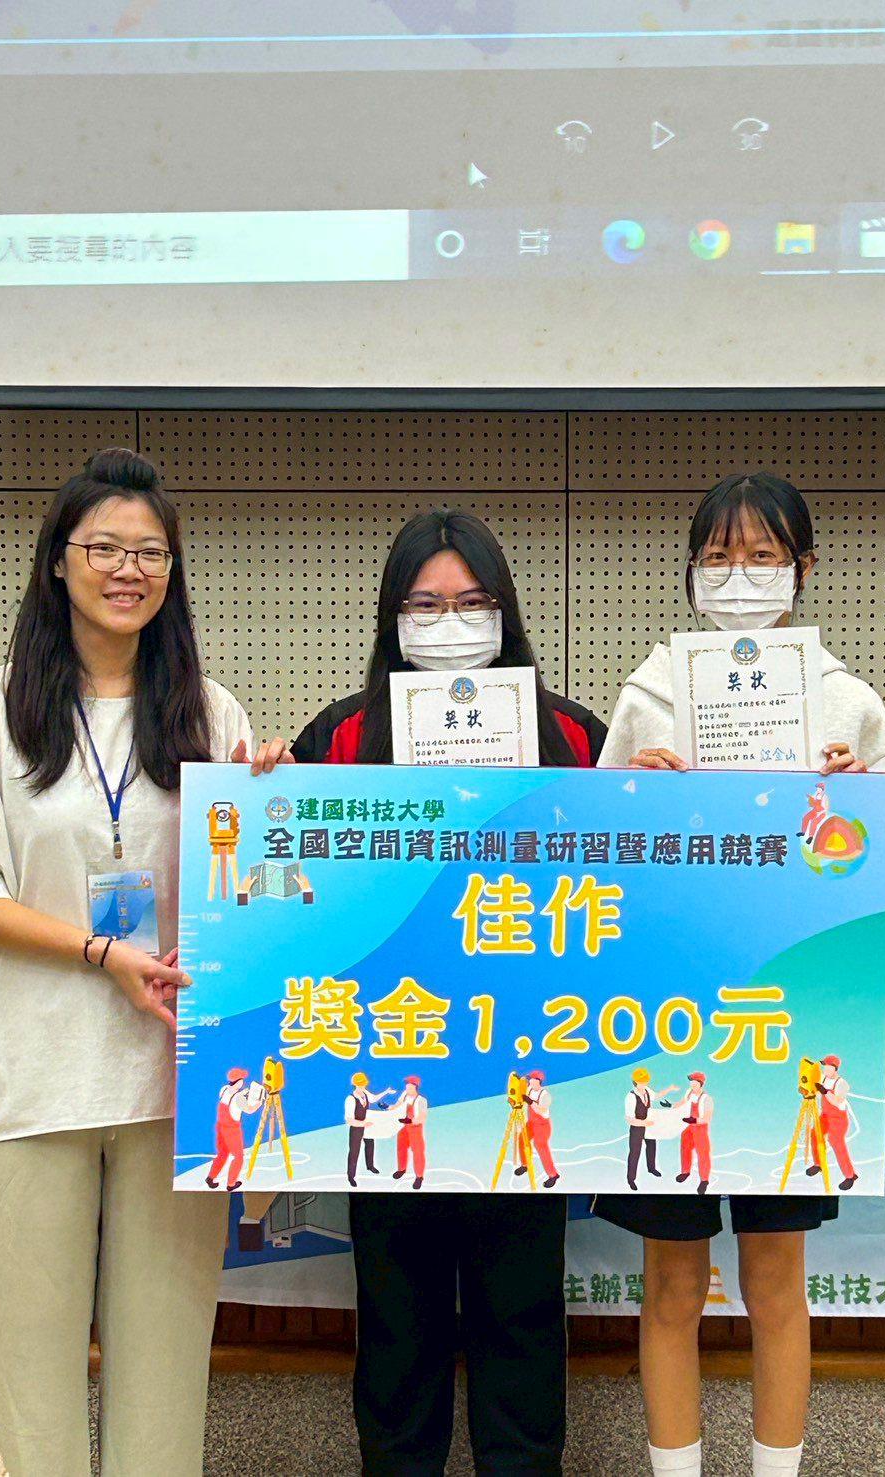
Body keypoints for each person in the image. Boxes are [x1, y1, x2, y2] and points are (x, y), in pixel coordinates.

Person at [0, 449, 287, 1477]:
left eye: (151, 552)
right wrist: (99, 950)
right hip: (25, 1080)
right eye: (104, 547)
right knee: (34, 1386)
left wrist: (272, 807)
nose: (128, 570)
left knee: (166, 1385)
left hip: (173, 1088)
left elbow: (251, 896)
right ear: (58, 560)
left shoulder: (210, 714)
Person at [593, 472, 885, 1477]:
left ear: (803, 568)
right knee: (670, 1287)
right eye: (718, 557)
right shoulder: (648, 696)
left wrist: (844, 816)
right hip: (669, 1020)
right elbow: (588, 864)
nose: (739, 576)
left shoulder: (847, 702)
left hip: (789, 1024)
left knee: (776, 1283)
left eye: (763, 556)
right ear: (691, 573)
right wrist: (629, 802)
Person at [291, 508, 607, 1477]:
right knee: (398, 1316)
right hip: (389, 1067)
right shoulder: (341, 735)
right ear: (391, 617)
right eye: (424, 605)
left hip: (528, 1068)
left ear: (505, 613)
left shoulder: (572, 734)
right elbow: (283, 886)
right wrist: (258, 791)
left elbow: (642, 880)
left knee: (523, 1310)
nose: (449, 622)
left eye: (471, 602)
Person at [207, 1066, 267, 1191]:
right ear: (239, 1082)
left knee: (222, 1153)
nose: (243, 1081)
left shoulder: (224, 1089)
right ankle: (231, 1184)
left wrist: (244, 1092)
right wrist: (260, 1102)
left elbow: (233, 1095)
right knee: (238, 1157)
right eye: (242, 1079)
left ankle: (211, 1177)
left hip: (220, 1127)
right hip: (232, 1130)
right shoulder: (239, 1098)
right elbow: (249, 1110)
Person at [808, 1055, 856, 1190]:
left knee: (836, 1142)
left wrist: (824, 1091)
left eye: (829, 1067)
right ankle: (818, 1163)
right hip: (825, 1115)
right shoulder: (823, 1078)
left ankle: (850, 1175)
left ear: (835, 1068)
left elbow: (837, 1101)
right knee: (815, 1134)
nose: (826, 1069)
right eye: (825, 1066)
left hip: (838, 1118)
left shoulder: (842, 1084)